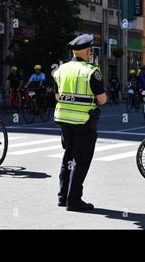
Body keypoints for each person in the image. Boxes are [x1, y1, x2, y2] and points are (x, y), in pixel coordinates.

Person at [53, 34, 106, 212]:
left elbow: (57, 96)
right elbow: (102, 99)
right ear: (87, 51)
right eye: (90, 49)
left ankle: (63, 196)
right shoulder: (91, 71)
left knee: (68, 157)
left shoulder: (60, 70)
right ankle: (74, 200)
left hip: (64, 120)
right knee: (80, 161)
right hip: (84, 122)